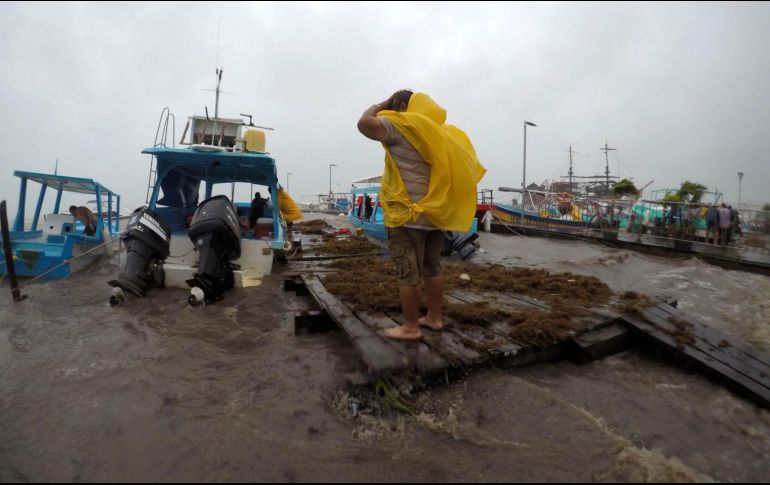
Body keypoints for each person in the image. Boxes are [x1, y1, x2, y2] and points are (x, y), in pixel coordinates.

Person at [357, 90, 485, 340]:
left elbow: (363, 124)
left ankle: (410, 326)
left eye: (395, 108)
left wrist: (382, 104)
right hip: (434, 213)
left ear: (403, 106)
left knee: (408, 272)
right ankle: (435, 318)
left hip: (407, 215)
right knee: (432, 268)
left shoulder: (400, 125)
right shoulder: (441, 132)